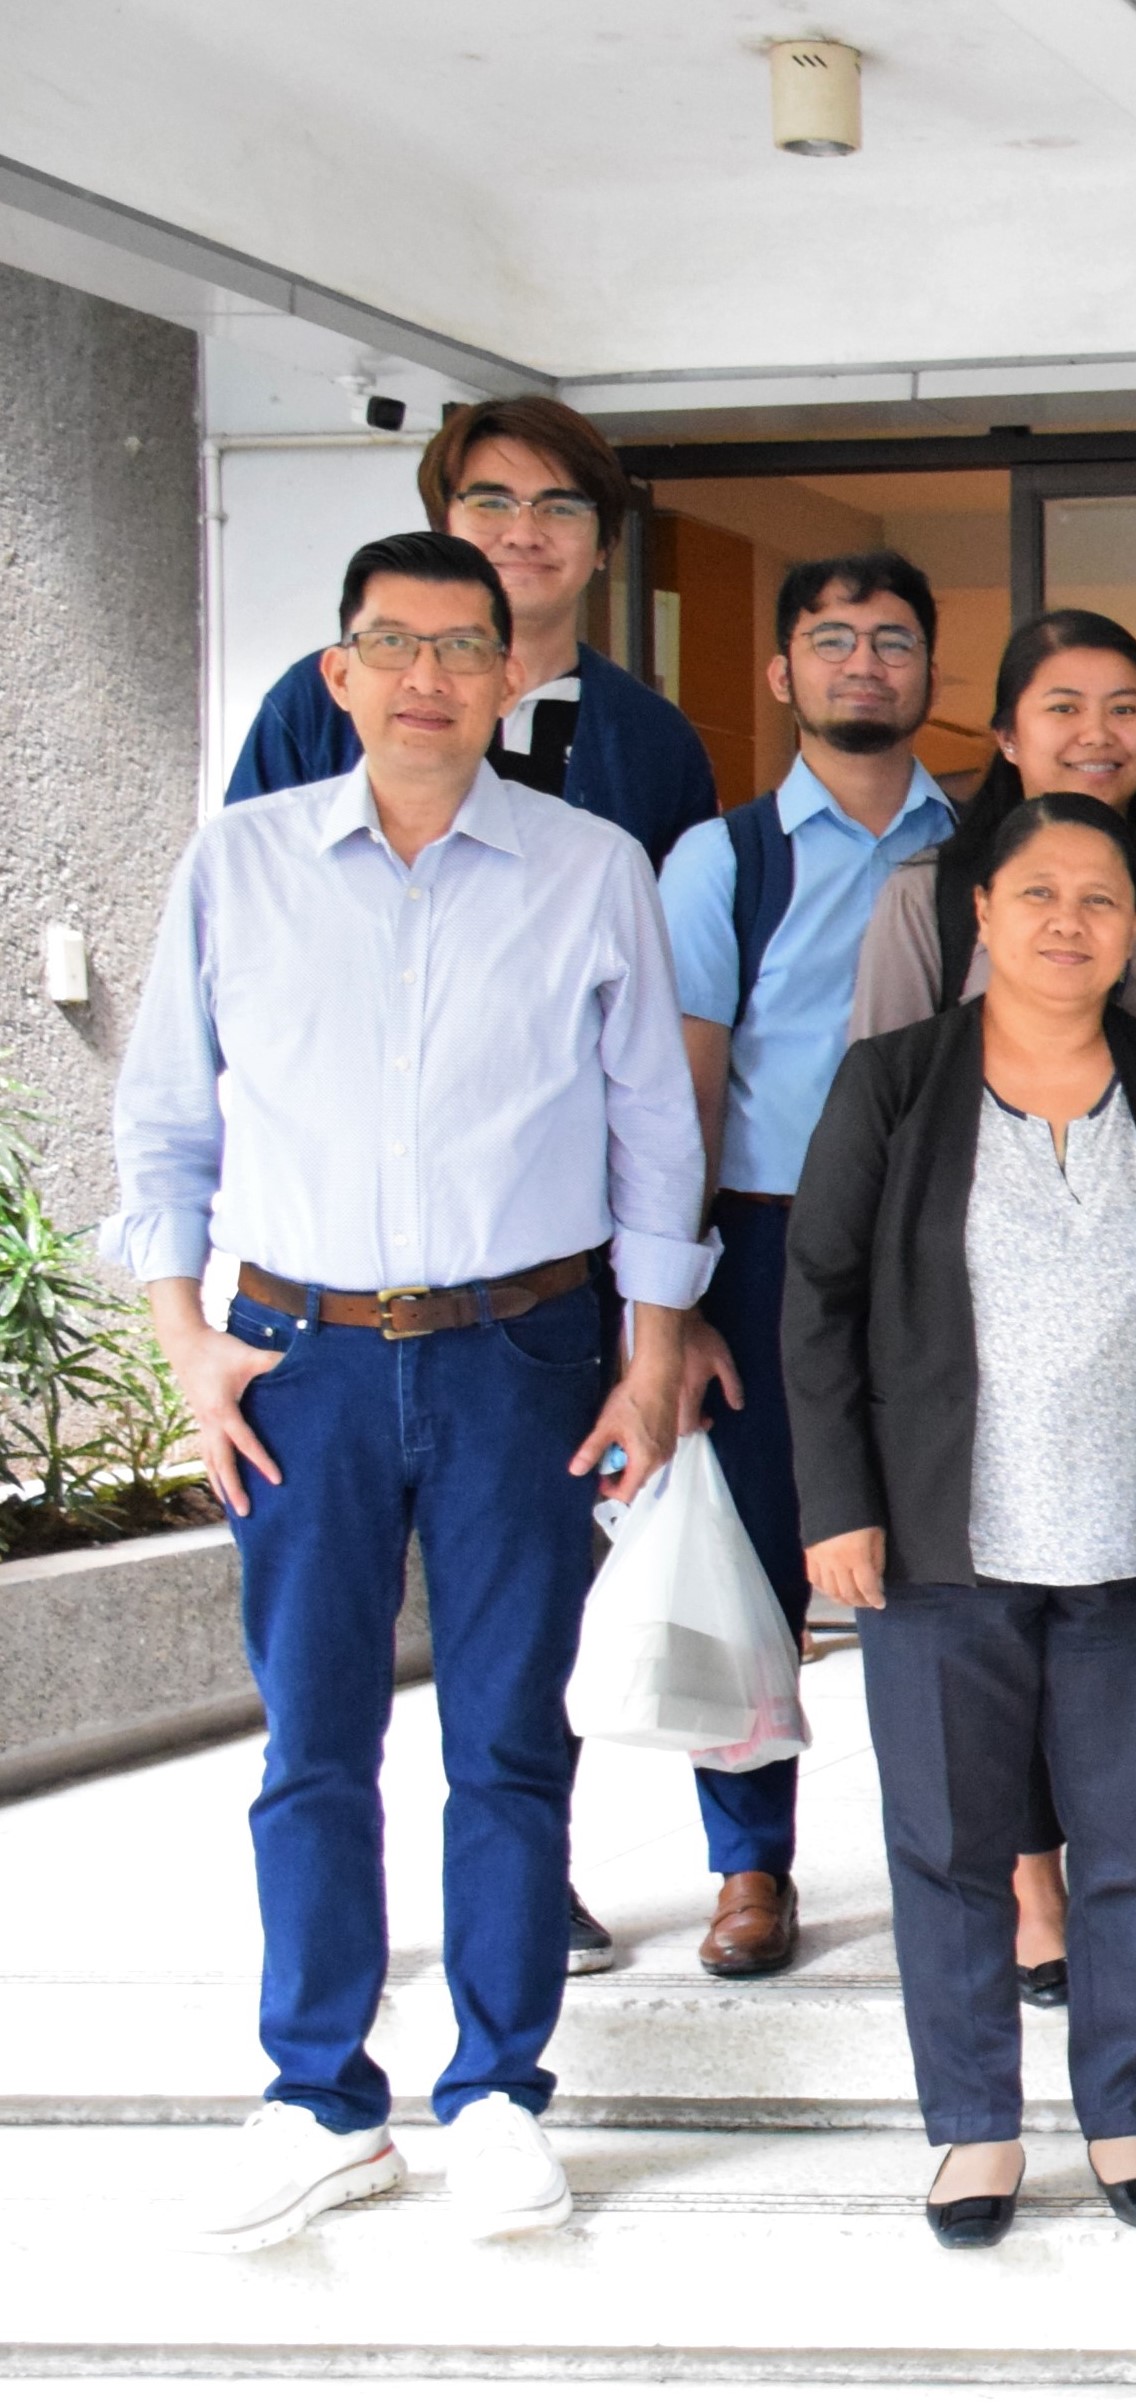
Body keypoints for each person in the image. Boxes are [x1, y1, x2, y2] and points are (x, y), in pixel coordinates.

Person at [117, 531, 711, 2250]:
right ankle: (316, 2091)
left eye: (465, 646)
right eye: (397, 645)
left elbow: (650, 1131)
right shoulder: (236, 866)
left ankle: (498, 2091)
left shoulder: (590, 865)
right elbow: (165, 1123)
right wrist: (184, 1341)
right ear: (341, 673)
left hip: (522, 1351)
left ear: (510, 674)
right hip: (294, 1356)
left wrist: (653, 1350)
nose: (432, 677)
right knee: (310, 1742)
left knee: (510, 1741)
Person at [781, 794, 1136, 2247]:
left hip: (1134, 1542)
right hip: (937, 1540)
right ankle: (974, 2128)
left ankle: (1123, 2110)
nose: (1066, 921)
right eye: (1033, 893)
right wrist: (836, 1504)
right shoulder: (893, 1083)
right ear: (976, 914)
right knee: (949, 1844)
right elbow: (818, 1307)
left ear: (1133, 929)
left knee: (1132, 1846)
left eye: (1099, 899)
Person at [648, 552, 955, 1980]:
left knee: (948, 1555)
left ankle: (972, 1847)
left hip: (948, 1238)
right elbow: (684, 1090)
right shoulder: (724, 860)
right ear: (782, 674)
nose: (864, 665)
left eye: (893, 641)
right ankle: (748, 1861)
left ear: (930, 673)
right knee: (759, 1560)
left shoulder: (985, 843)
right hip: (771, 1239)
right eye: (832, 641)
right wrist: (682, 1298)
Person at [225, 397, 713, 864]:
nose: (523, 535)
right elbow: (247, 890)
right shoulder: (319, 702)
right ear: (442, 526)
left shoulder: (655, 740)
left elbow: (661, 937)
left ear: (605, 545)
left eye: (560, 508)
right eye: (491, 503)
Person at [850, 610, 1136, 1058]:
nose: (1096, 733)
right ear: (1008, 736)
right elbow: (885, 1093)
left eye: (1124, 709)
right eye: (1063, 708)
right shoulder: (929, 892)